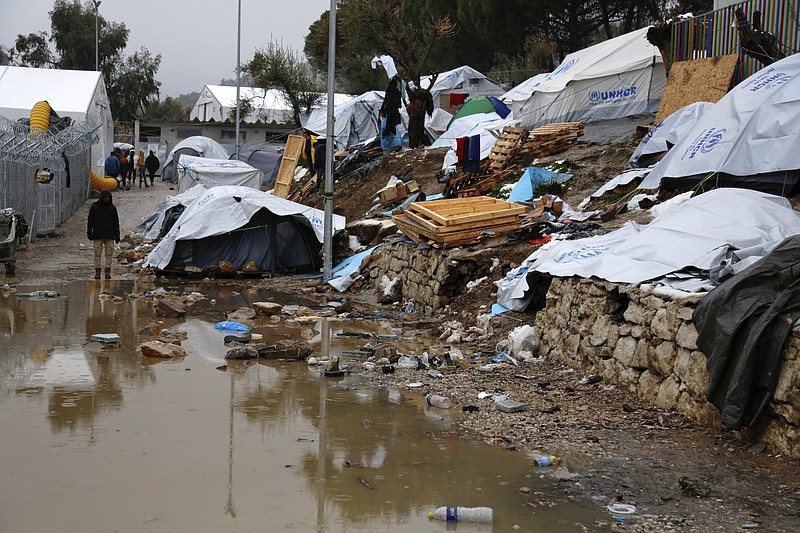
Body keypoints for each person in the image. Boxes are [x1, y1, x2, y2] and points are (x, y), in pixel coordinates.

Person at [87, 189, 120, 280]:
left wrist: (117, 235)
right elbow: (90, 220)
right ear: (102, 197)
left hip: (109, 235)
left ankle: (107, 271)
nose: (107, 199)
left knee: (109, 253)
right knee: (97, 253)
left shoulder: (112, 208)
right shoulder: (95, 207)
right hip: (98, 234)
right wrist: (89, 232)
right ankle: (97, 271)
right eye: (105, 197)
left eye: (108, 197)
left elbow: (116, 222)